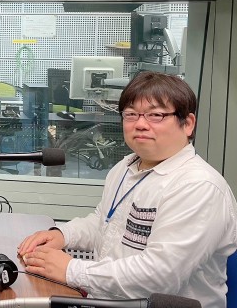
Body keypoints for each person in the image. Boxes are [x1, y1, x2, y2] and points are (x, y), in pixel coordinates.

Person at [18, 71, 237, 308]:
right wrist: (63, 235)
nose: (140, 124)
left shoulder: (198, 187)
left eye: (156, 115)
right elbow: (104, 222)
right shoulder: (125, 167)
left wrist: (72, 270)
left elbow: (159, 277)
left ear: (188, 124)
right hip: (107, 301)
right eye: (131, 114)